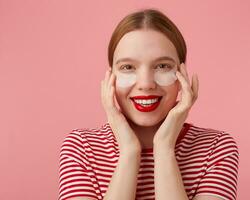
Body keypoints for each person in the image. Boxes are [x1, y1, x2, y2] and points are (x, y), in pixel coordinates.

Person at [58, 8, 239, 200]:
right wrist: (129, 152)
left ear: (182, 77)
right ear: (111, 78)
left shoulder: (216, 148)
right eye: (128, 67)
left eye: (162, 66)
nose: (146, 84)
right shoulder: (81, 148)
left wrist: (164, 148)